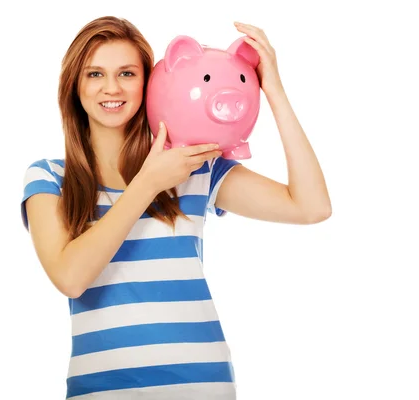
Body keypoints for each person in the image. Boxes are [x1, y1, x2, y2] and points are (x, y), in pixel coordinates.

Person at [20, 16, 331, 400]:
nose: (112, 87)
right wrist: (148, 182)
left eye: (127, 73)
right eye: (95, 73)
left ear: (148, 83)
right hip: (101, 389)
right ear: (74, 86)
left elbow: (311, 206)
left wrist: (274, 91)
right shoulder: (50, 177)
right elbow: (71, 277)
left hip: (202, 384)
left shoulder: (194, 168)